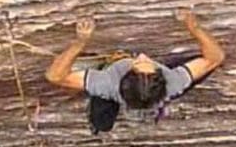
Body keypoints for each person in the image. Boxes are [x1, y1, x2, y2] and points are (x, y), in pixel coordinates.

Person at [45, 9, 225, 132]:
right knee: (201, 68)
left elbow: (55, 76)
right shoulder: (174, 82)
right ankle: (144, 111)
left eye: (138, 63)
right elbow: (215, 58)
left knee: (101, 121)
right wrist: (194, 27)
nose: (143, 56)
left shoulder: (108, 84)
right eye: (146, 63)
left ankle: (101, 125)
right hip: (159, 90)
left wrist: (80, 43)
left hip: (120, 92)